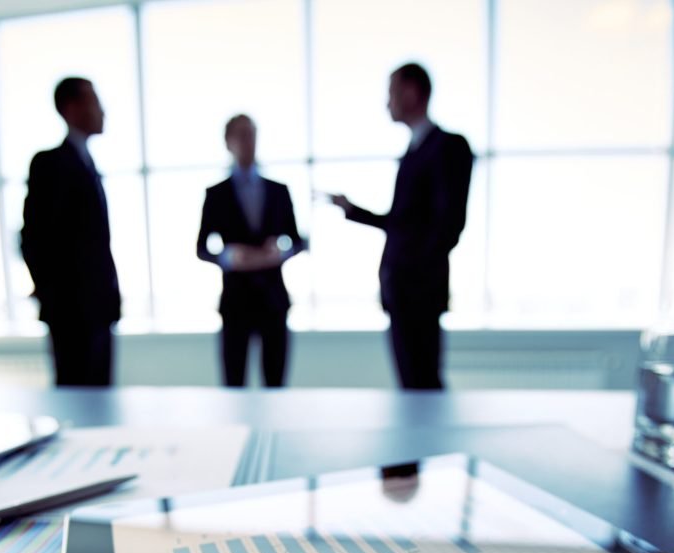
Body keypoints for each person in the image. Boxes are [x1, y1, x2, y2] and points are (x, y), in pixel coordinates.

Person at [331, 63, 473, 390]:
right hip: (401, 288)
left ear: (411, 92)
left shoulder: (448, 146)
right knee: (411, 384)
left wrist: (416, 273)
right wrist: (352, 210)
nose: (387, 103)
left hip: (419, 288)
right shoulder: (412, 152)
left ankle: (435, 443)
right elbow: (402, 223)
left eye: (392, 92)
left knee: (423, 383)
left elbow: (449, 224)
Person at [20, 77, 121, 387]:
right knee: (76, 395)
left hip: (100, 307)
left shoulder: (88, 163)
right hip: (70, 313)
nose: (102, 111)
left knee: (102, 396)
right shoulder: (50, 163)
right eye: (94, 101)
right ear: (72, 108)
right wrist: (51, 293)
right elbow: (33, 237)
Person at [197, 114, 305, 388]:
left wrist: (280, 252)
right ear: (228, 141)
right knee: (234, 384)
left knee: (276, 384)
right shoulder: (216, 194)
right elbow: (201, 248)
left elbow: (297, 241)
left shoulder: (279, 191)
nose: (249, 141)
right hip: (236, 302)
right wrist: (229, 257)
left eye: (252, 134)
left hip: (273, 301)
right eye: (242, 134)